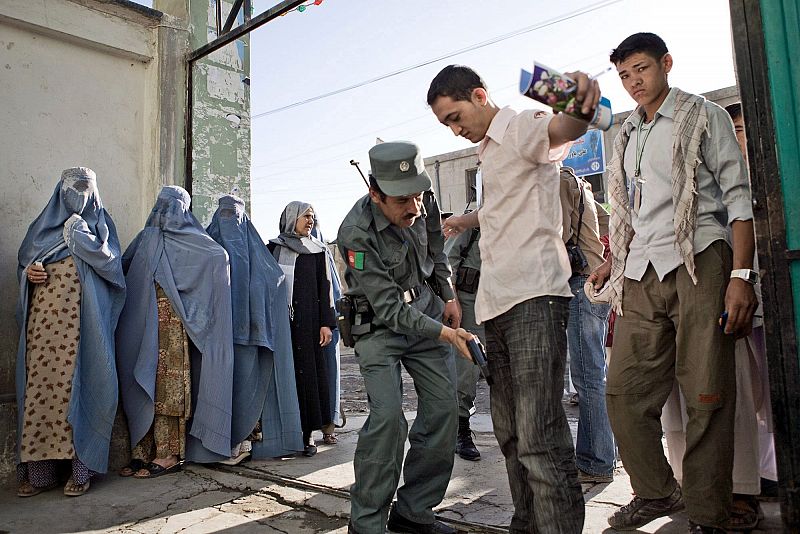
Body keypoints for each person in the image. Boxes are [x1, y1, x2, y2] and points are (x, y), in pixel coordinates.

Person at [588, 33, 757, 533]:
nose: (633, 82)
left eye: (640, 69)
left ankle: (708, 513)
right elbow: (631, 209)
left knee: (706, 393)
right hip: (640, 270)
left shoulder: (705, 115)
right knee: (622, 394)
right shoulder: (626, 133)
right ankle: (657, 491)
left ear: (665, 63)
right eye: (624, 75)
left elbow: (739, 198)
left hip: (700, 259)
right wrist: (614, 259)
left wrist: (740, 277)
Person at [429, 64, 599, 533]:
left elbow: (566, 127)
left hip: (534, 298)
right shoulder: (488, 152)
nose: (455, 130)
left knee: (540, 434)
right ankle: (526, 525)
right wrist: (464, 221)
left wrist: (578, 103)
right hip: (496, 305)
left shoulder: (521, 126)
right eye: (445, 125)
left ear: (479, 96)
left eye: (455, 117)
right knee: (510, 433)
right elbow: (501, 209)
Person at [337, 141, 474, 534]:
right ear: (375, 194)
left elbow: (437, 251)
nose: (413, 207)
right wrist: (447, 333)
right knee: (387, 420)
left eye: (417, 195)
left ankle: (414, 512)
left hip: (427, 311)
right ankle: (366, 524)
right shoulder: (355, 234)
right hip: (379, 325)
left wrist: (448, 294)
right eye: (401, 201)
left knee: (444, 411)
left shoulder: (422, 198)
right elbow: (390, 309)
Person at [15, 167, 126, 497]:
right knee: (43, 394)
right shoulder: (40, 229)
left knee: (83, 388)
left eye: (84, 188)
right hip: (44, 331)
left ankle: (81, 471)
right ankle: (41, 475)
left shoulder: (101, 228)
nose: (77, 195)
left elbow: (113, 268)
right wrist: (30, 274)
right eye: (71, 188)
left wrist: (81, 238)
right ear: (59, 192)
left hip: (84, 329)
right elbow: (25, 263)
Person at [116, 185, 235, 477]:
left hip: (172, 329)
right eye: (161, 205)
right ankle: (140, 451)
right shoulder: (146, 238)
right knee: (139, 381)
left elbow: (218, 257)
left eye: (173, 206)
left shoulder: (197, 242)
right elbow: (122, 267)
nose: (165, 212)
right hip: (141, 324)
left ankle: (168, 454)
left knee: (168, 389)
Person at [206, 195, 304, 463]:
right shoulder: (208, 246)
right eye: (224, 216)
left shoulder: (258, 255)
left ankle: (244, 443)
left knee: (248, 390)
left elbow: (275, 282)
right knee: (217, 391)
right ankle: (216, 445)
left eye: (234, 216)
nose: (229, 223)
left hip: (250, 336)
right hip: (216, 338)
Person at [559, 165, 615, 484]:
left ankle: (596, 461)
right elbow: (605, 225)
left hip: (581, 283)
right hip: (595, 282)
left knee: (588, 376)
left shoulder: (558, 181)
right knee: (594, 373)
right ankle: (603, 454)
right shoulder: (582, 184)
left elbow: (559, 234)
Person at [269, 201, 337, 457]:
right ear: (291, 218)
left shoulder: (317, 251)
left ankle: (308, 435)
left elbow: (325, 288)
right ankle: (283, 435)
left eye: (312, 217)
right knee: (286, 376)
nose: (310, 221)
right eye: (305, 216)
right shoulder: (273, 248)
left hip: (309, 326)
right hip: (283, 325)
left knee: (309, 378)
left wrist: (326, 324)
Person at [444, 211, 483, 462]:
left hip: (502, 302)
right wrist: (453, 300)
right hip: (470, 303)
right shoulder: (471, 224)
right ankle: (461, 429)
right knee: (466, 369)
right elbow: (447, 262)